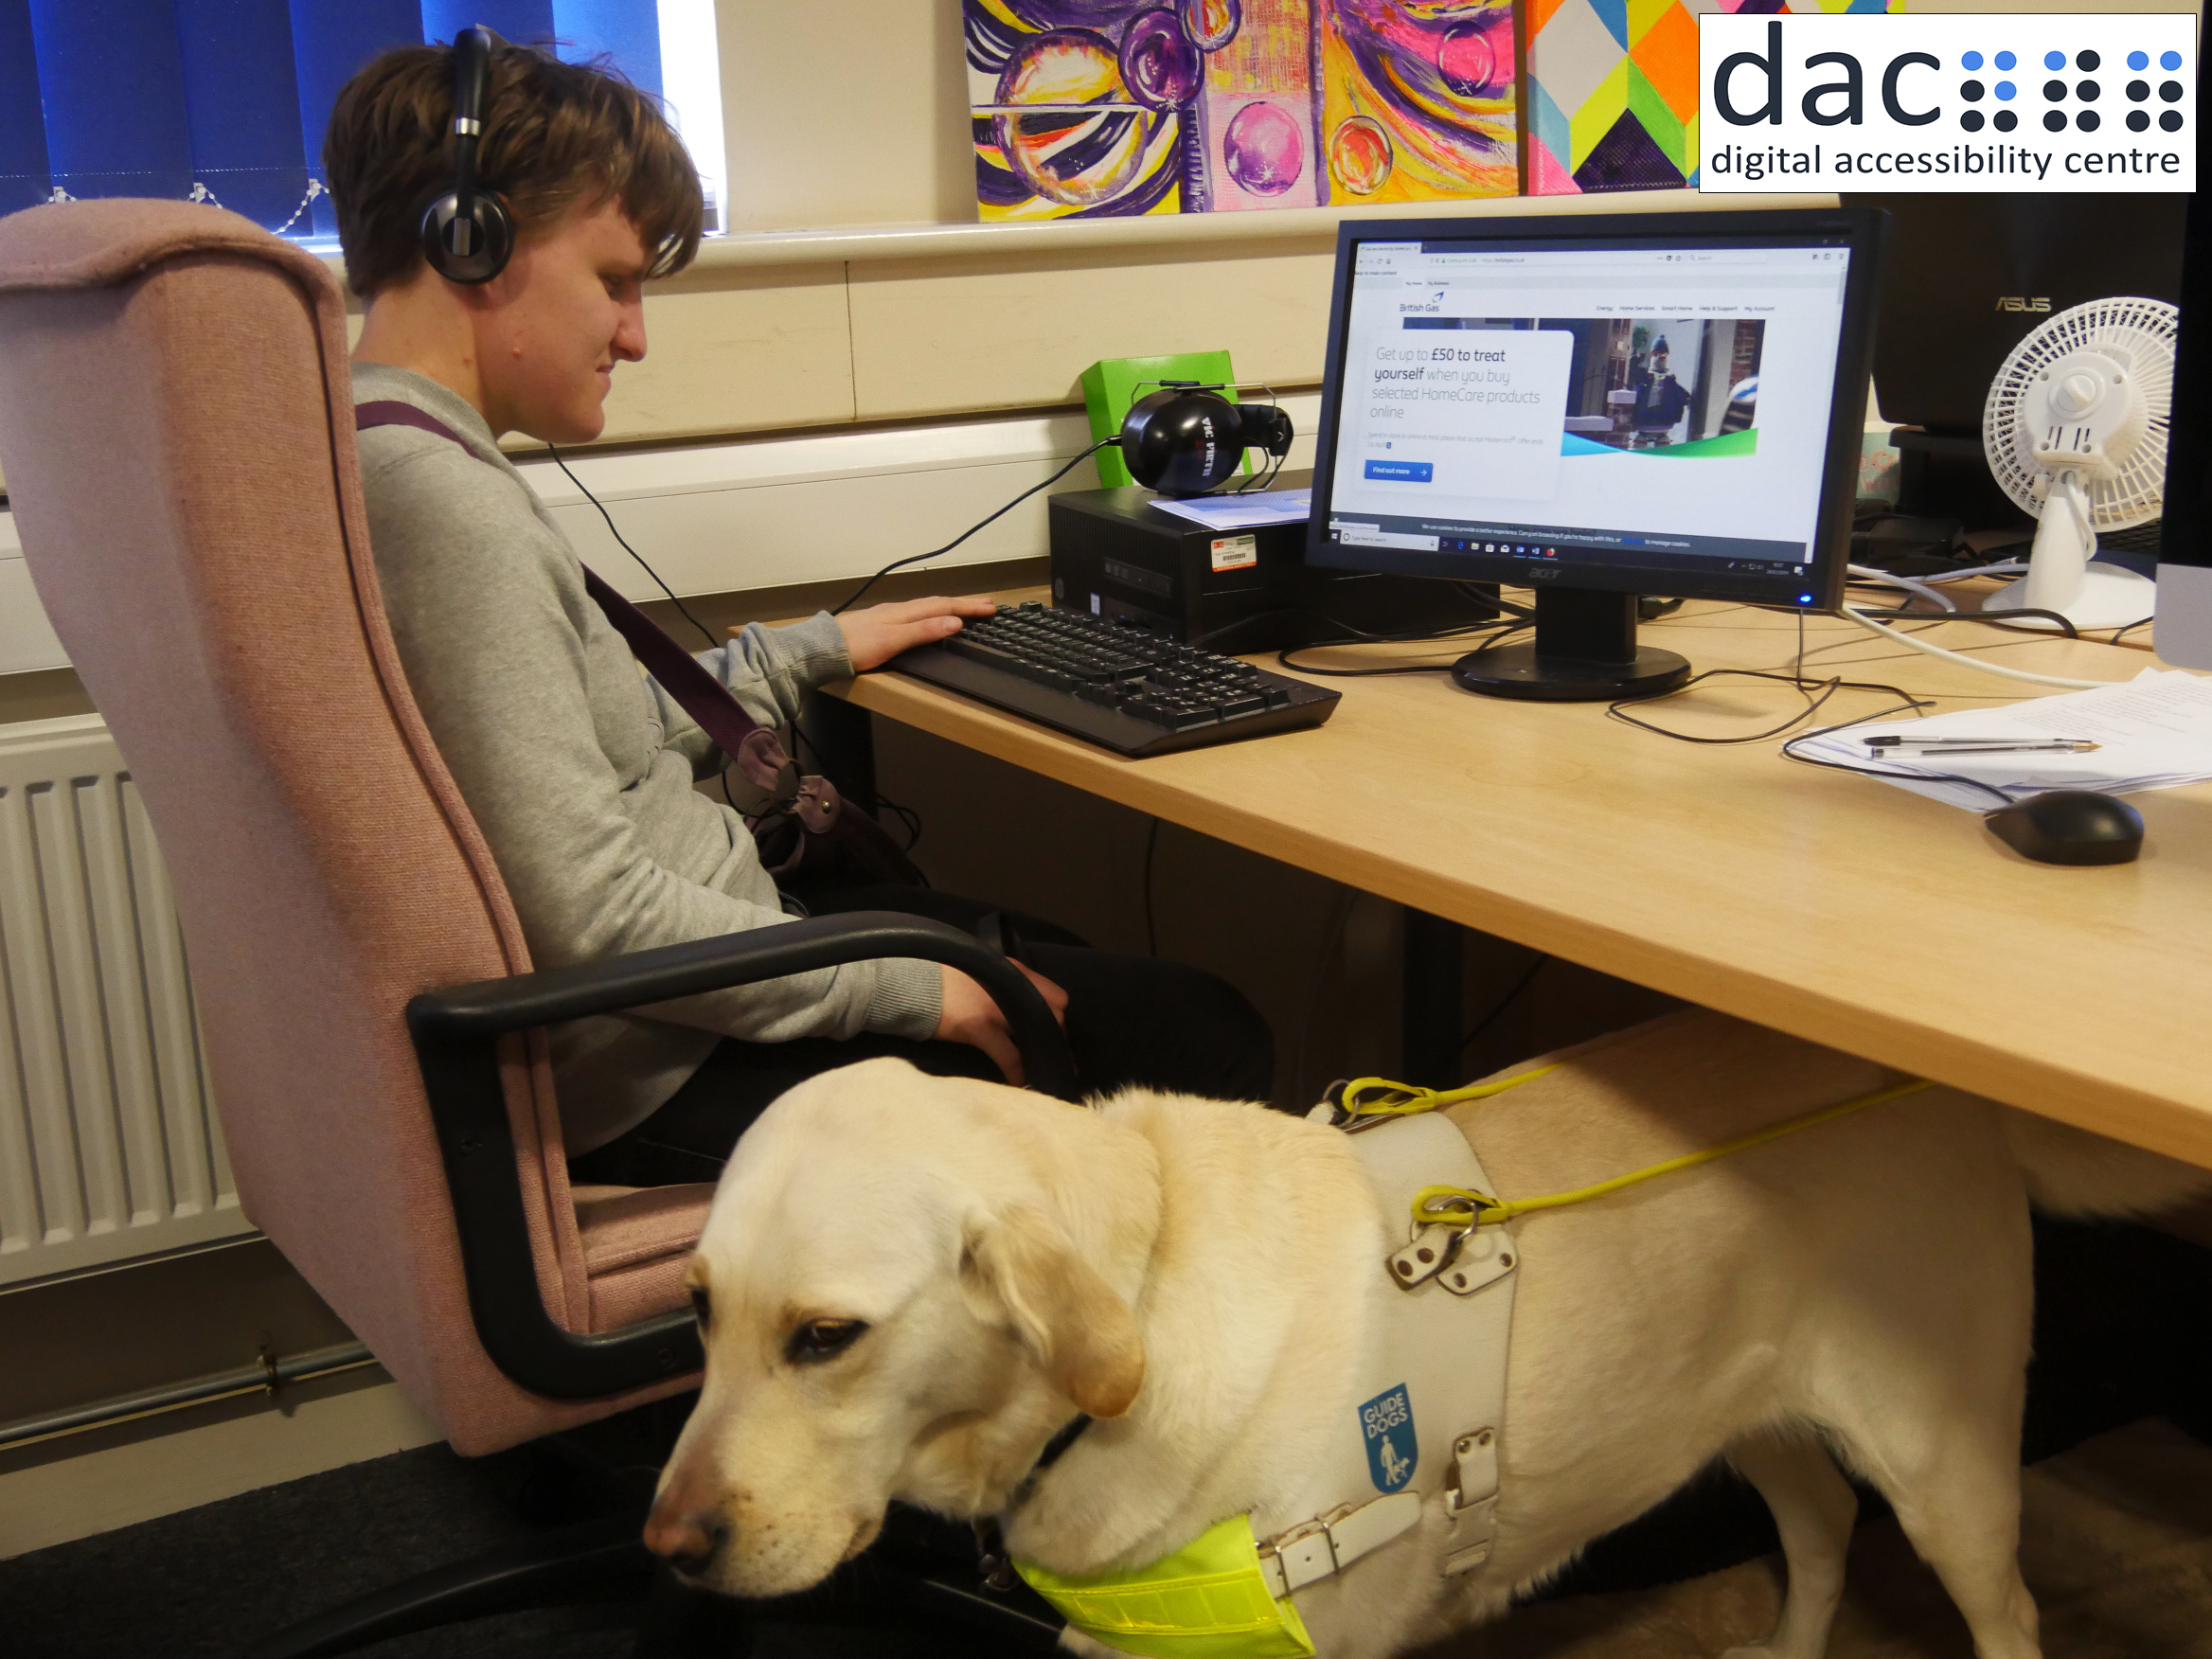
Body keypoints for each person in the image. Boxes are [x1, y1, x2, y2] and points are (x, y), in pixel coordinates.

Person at [323, 38, 1273, 1185]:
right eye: (614, 281)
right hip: (656, 1058)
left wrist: (807, 651)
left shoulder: (369, 450)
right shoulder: (446, 510)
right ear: (467, 241)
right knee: (1197, 1032)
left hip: (665, 1004)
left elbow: (574, 748)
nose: (634, 335)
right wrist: (907, 989)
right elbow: (590, 915)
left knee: (1057, 954)